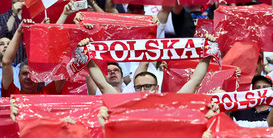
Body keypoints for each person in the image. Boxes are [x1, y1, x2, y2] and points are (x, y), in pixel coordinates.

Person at [79, 33, 217, 94]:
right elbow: (102, 85)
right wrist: (87, 54)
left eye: (147, 86)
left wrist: (207, 53)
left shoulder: (167, 104)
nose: (143, 91)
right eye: (138, 87)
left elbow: (194, 82)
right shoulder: (126, 105)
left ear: (157, 88)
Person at [1, 20, 66, 97]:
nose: (28, 77)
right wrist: (19, 32)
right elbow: (6, 62)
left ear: (38, 77)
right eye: (24, 74)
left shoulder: (47, 94)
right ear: (18, 77)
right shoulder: (12, 93)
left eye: (32, 74)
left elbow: (65, 65)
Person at [0, 0, 27, 65]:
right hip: (8, 66)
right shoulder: (1, 17)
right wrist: (14, 14)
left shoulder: (31, 17)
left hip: (26, 67)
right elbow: (1, 37)